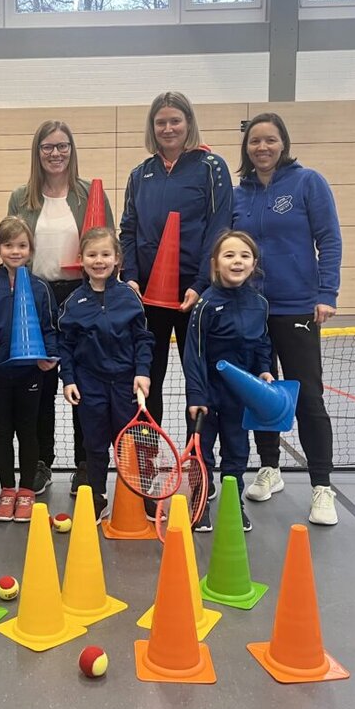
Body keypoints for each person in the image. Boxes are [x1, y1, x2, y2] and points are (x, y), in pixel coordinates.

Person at [232, 112, 343, 526]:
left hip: (296, 306)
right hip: (251, 309)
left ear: (284, 143)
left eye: (270, 140)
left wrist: (326, 293)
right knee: (262, 392)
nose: (262, 147)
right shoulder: (238, 195)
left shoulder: (307, 182)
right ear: (246, 148)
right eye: (255, 141)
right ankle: (270, 467)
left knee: (308, 398)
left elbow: (329, 239)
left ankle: (321, 486)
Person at [119, 92, 233, 455]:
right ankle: (146, 457)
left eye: (175, 121)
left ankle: (197, 459)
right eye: (160, 122)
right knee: (145, 376)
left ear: (188, 123)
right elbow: (128, 230)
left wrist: (200, 284)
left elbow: (219, 228)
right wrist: (131, 277)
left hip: (194, 295)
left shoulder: (211, 167)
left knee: (199, 379)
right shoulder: (140, 174)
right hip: (147, 296)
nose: (168, 128)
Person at [8, 120, 115, 497]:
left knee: (84, 381)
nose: (55, 153)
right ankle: (41, 461)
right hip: (37, 296)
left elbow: (108, 246)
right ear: (37, 152)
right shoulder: (21, 198)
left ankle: (86, 463)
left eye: (62, 146)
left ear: (72, 149)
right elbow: (14, 248)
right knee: (40, 384)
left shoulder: (90, 194)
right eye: (48, 147)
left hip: (81, 295)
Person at [58, 227, 154, 522]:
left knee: (130, 443)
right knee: (94, 444)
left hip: (125, 384)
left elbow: (143, 339)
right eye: (92, 255)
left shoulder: (129, 297)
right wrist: (69, 379)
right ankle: (97, 495)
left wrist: (142, 372)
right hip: (90, 385)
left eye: (105, 254)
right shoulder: (73, 302)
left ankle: (138, 495)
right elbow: (65, 346)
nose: (98, 260)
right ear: (81, 259)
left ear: (117, 259)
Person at [183, 231, 274, 534]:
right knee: (202, 451)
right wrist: (197, 395)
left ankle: (234, 503)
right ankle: (199, 502)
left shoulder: (260, 304)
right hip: (208, 391)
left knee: (237, 450)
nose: (237, 261)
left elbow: (262, 343)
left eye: (245, 256)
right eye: (229, 255)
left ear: (253, 264)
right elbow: (194, 353)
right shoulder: (206, 304)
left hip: (240, 393)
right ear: (215, 263)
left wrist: (264, 371)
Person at [0, 216, 59, 523]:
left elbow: (50, 328)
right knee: (3, 432)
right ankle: (7, 489)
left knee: (28, 431)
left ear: (30, 249)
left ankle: (27, 490)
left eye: (22, 245)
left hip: (30, 374)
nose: (15, 251)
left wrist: (50, 356)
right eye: (8, 245)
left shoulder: (40, 288)